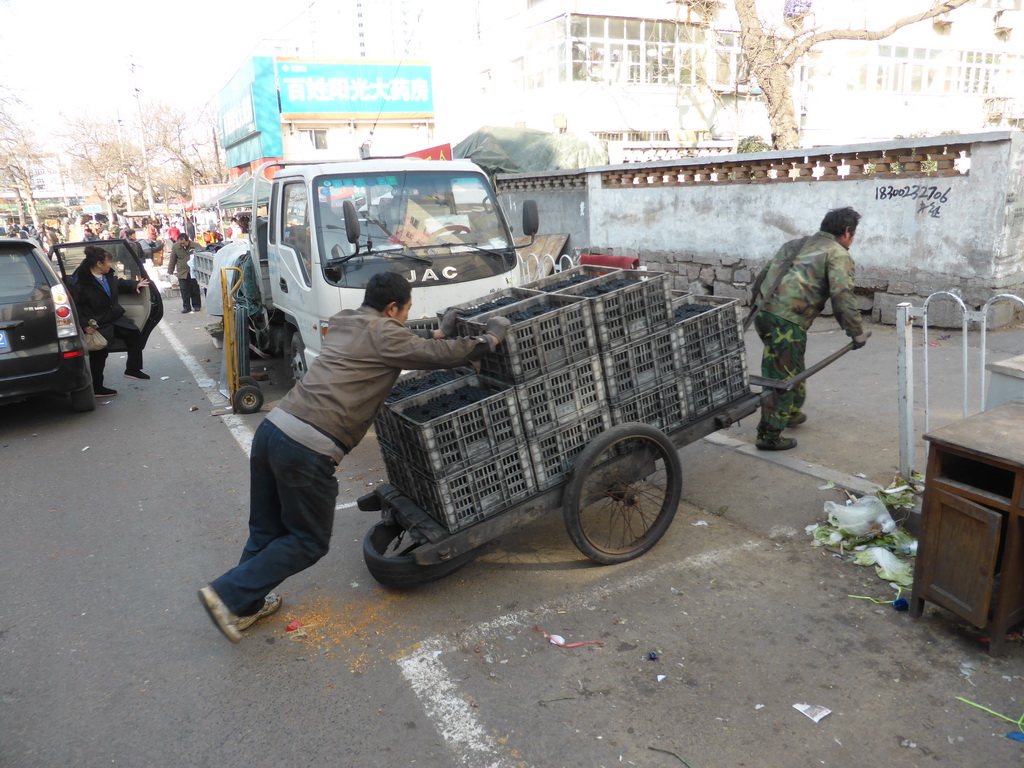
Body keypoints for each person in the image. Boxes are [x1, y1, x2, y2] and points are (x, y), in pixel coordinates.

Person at [198, 272, 511, 642]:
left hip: (273, 430)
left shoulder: (347, 319)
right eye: (406, 311)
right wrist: (488, 339)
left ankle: (244, 603)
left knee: (267, 529)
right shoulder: (386, 332)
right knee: (309, 541)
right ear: (392, 307)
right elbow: (430, 355)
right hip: (309, 447)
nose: (407, 319)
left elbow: (401, 344)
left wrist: (439, 332)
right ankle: (226, 593)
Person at [750, 206, 869, 451]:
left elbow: (763, 276)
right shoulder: (837, 253)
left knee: (789, 362)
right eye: (854, 234)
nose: (853, 239)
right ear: (846, 231)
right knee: (779, 376)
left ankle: (791, 410)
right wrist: (855, 331)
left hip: (763, 313)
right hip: (787, 321)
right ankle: (769, 435)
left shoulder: (795, 244)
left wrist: (756, 308)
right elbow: (842, 295)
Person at [70, 245, 152, 393]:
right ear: (99, 264)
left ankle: (132, 369)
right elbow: (77, 306)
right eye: (108, 262)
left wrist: (135, 285)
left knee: (135, 334)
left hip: (114, 317)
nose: (111, 265)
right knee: (99, 355)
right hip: (97, 323)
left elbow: (118, 283)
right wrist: (84, 325)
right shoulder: (81, 283)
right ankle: (97, 388)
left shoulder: (107, 275)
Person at [166, 232, 202, 313]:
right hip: (182, 272)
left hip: (193, 272)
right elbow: (172, 259)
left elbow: (201, 256)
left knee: (195, 290)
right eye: (180, 243)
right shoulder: (175, 247)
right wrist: (170, 271)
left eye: (183, 243)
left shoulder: (196, 246)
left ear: (187, 240)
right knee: (184, 290)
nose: (182, 245)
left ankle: (196, 305)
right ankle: (186, 307)